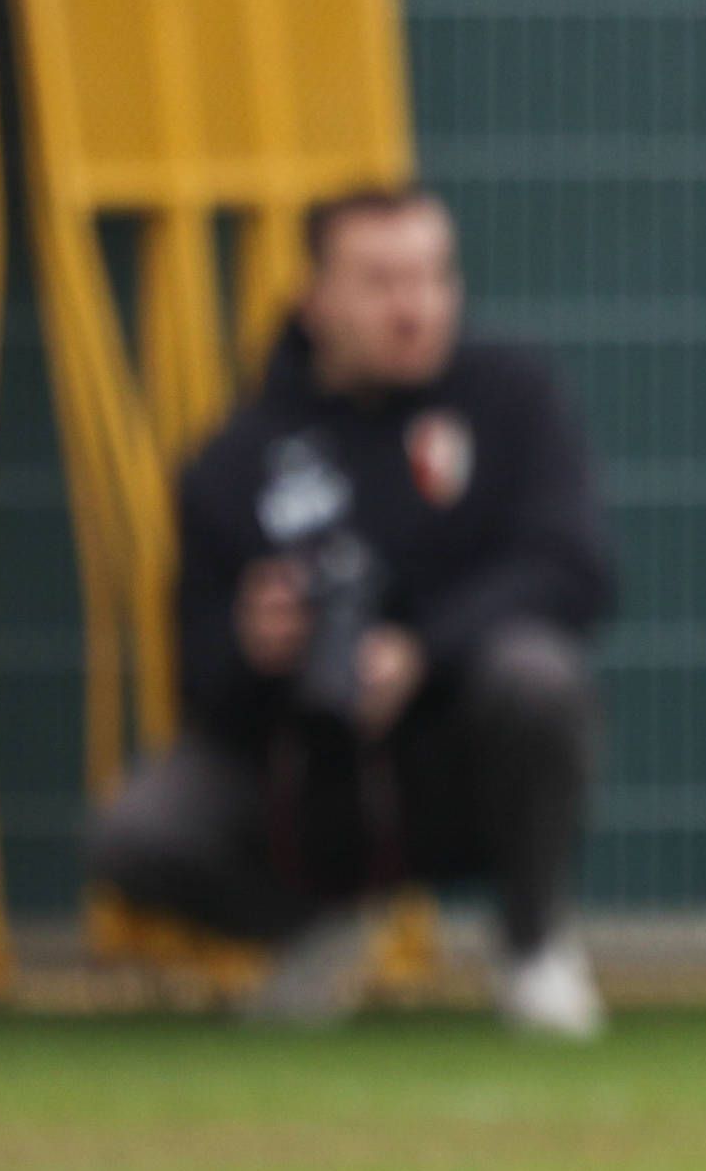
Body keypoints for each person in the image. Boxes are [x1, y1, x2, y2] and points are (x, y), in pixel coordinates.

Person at [83, 184, 620, 1039]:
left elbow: (575, 571)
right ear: (314, 297)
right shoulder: (235, 461)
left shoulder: (510, 401)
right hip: (308, 784)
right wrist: (255, 646)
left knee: (538, 679)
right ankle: (310, 935)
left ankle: (532, 944)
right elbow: (197, 679)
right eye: (380, 282)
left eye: (431, 277)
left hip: (459, 763)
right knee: (138, 830)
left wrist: (419, 653)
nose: (413, 307)